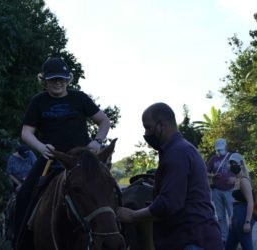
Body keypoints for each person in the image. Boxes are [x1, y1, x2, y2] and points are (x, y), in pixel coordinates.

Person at [13, 57, 110, 249]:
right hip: (51, 159)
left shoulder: (80, 98)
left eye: (62, 79)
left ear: (68, 80)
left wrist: (97, 141)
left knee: (109, 189)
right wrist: (41, 147)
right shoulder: (38, 102)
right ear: (44, 81)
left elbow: (104, 121)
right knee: (24, 195)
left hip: (81, 161)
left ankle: (115, 237)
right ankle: (20, 243)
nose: (58, 82)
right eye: (53, 79)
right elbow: (26, 132)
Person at [116, 102, 223, 250]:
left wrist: (133, 215)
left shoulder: (177, 153)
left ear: (162, 125)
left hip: (191, 240)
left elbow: (169, 204)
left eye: (148, 127)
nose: (146, 134)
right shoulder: (179, 150)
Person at [207, 138, 236, 244]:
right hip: (217, 190)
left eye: (221, 149)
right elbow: (206, 172)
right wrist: (212, 175)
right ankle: (224, 238)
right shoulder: (213, 159)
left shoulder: (232, 157)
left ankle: (234, 238)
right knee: (220, 216)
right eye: (218, 149)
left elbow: (241, 172)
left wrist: (235, 179)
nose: (219, 151)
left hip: (230, 191)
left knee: (232, 215)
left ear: (225, 147)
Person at [225, 153, 255, 250]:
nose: (231, 165)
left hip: (243, 216)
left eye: (234, 163)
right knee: (229, 246)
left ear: (241, 165)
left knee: (246, 245)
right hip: (236, 217)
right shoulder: (237, 180)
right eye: (230, 163)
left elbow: (250, 202)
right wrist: (231, 218)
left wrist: (247, 222)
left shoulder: (244, 181)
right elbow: (235, 201)